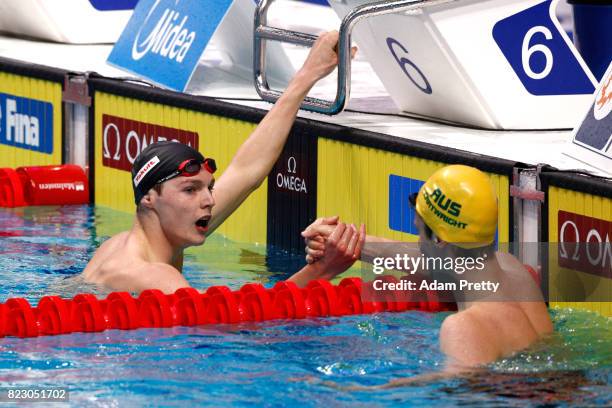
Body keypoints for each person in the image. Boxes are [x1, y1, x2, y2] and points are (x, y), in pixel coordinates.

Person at [82, 31, 363, 294]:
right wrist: (322, 270)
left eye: (208, 188)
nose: (209, 201)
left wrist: (308, 74)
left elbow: (246, 172)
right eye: (190, 190)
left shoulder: (121, 244)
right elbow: (236, 325)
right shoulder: (157, 278)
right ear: (149, 198)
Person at [302, 165, 553, 371]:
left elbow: (458, 397)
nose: (415, 230)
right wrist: (344, 240)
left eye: (419, 227)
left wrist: (358, 394)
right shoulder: (514, 271)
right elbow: (431, 258)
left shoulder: (464, 327)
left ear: (440, 240)